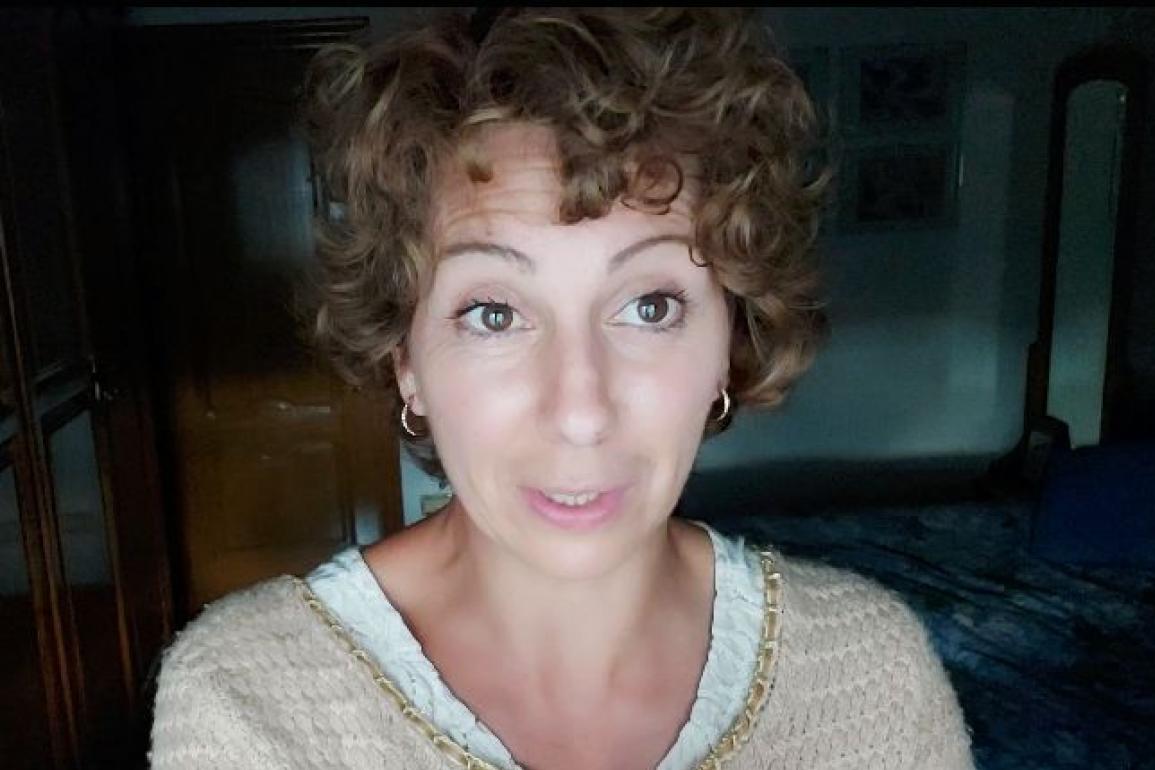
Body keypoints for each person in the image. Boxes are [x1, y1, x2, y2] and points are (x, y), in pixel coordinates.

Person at [149, 8, 974, 769]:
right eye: (494, 314)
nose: (580, 410)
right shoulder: (251, 704)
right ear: (407, 361)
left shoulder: (873, 677)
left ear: (730, 339)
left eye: (650, 307)